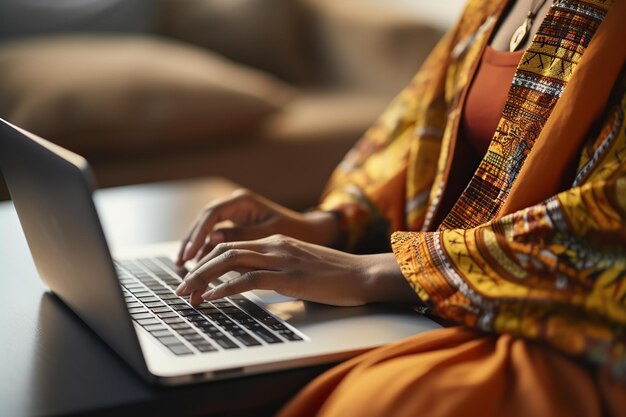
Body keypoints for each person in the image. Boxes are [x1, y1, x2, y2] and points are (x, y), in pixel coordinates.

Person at [175, 0, 626, 415]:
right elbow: (417, 131)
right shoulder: (492, 6)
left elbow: (609, 221)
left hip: (567, 327)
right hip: (432, 297)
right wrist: (329, 225)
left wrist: (371, 273)